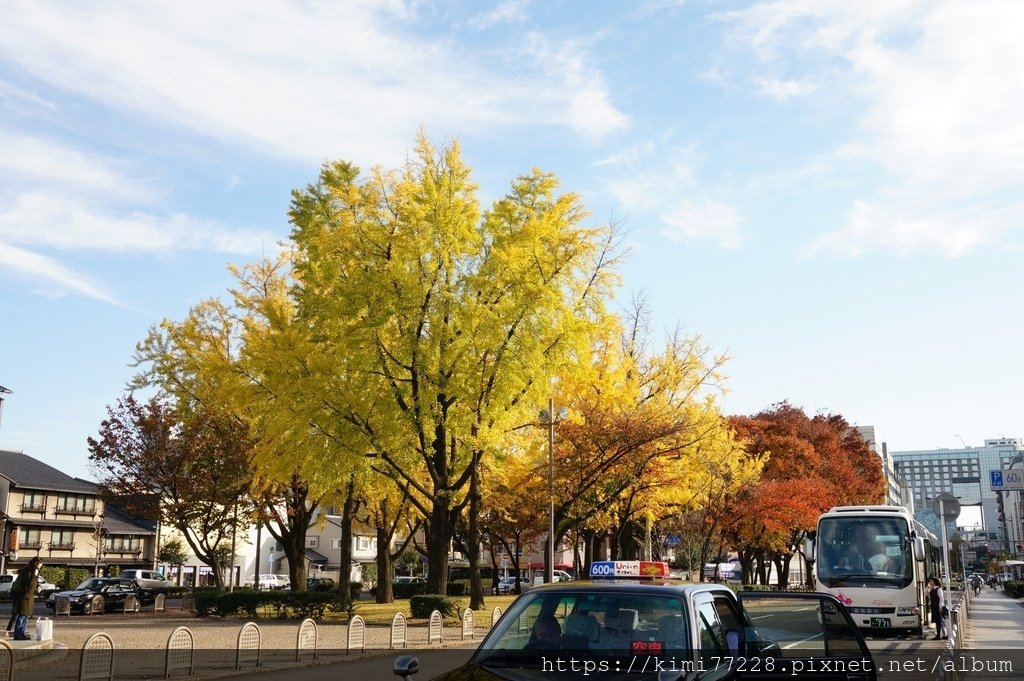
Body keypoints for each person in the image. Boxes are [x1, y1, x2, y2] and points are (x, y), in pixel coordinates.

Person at [10, 557, 43, 641]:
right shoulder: (28, 571)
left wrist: (38, 586)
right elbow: (30, 585)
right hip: (24, 596)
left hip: (27, 596)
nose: (40, 567)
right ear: (36, 564)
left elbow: (33, 584)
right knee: (22, 615)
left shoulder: (30, 571)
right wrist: (35, 576)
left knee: (25, 616)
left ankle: (21, 633)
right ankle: (18, 634)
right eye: (40, 565)